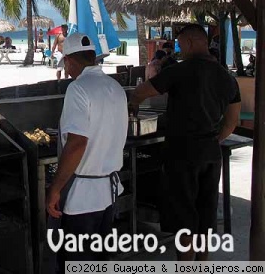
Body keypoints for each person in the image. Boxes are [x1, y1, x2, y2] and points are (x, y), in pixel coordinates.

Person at [129, 24, 241, 261]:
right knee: (205, 212)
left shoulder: (180, 71)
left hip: (181, 152)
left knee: (183, 216)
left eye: (180, 44)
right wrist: (213, 139)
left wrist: (133, 105)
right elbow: (232, 121)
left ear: (191, 42)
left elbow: (141, 91)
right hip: (211, 152)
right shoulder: (227, 77)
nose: (179, 49)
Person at [46, 33, 128, 266]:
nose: (68, 70)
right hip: (109, 193)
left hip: (83, 197)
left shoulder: (78, 89)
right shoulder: (115, 87)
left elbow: (76, 144)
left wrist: (55, 188)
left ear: (70, 60)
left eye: (67, 64)